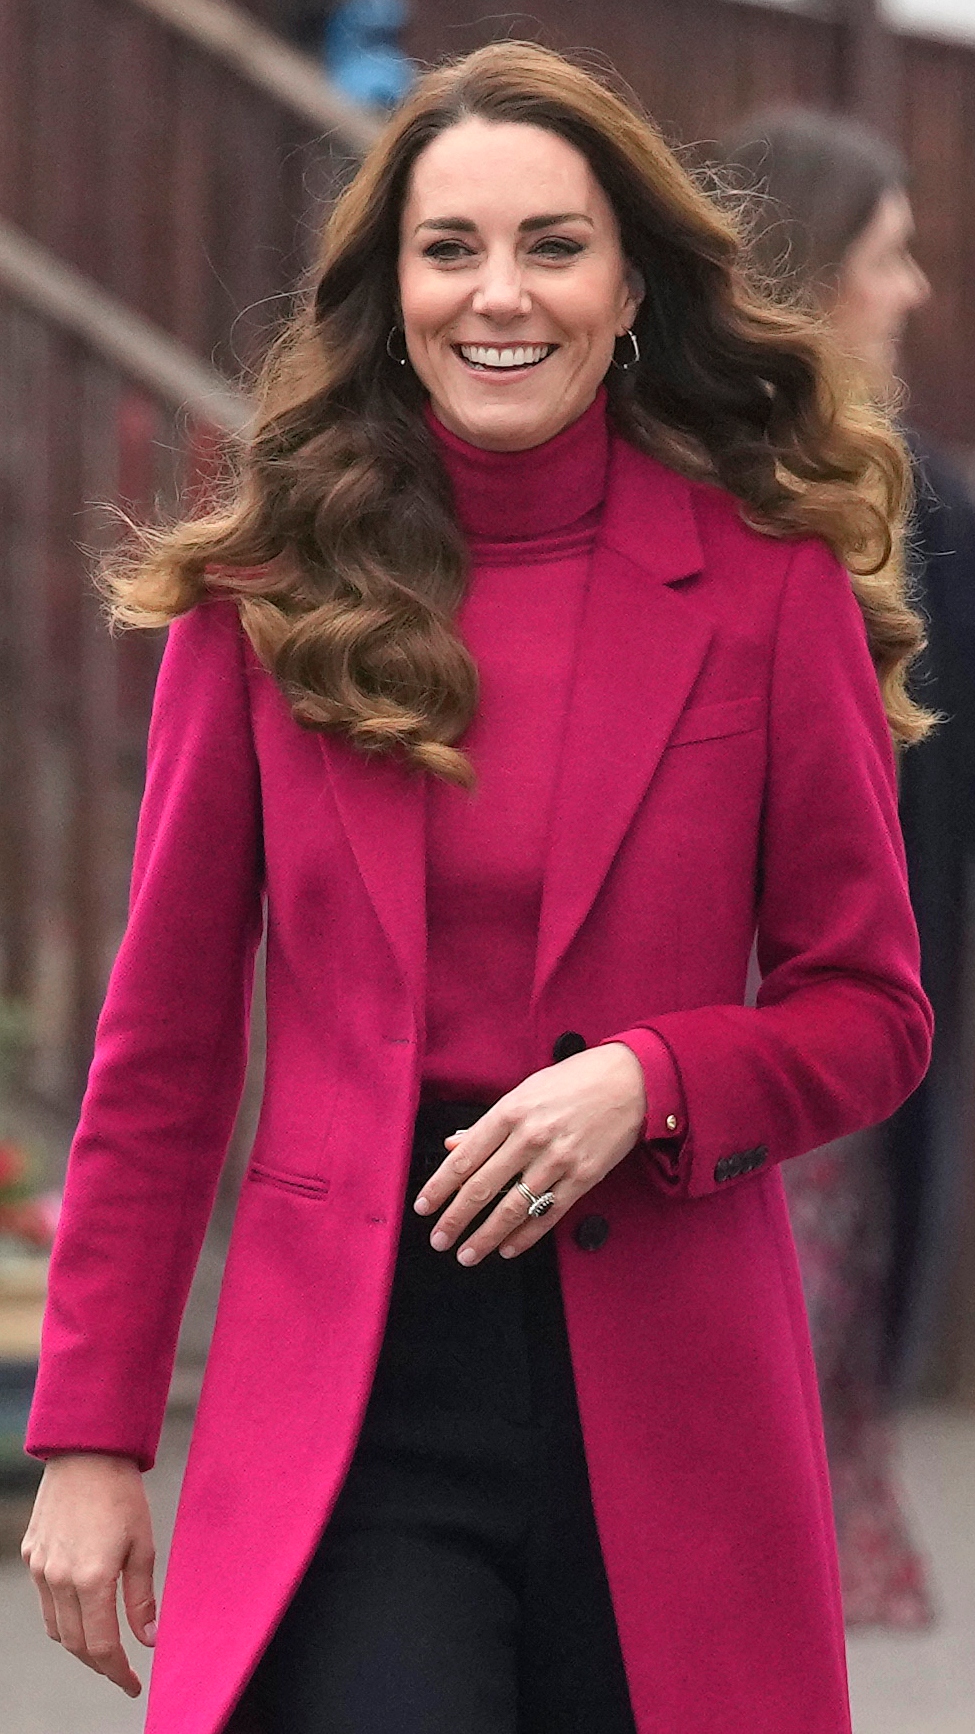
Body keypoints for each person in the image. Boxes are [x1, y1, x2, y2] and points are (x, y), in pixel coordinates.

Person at [20, 44, 933, 1734]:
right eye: (450, 249)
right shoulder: (264, 599)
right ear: (394, 294)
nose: (498, 294)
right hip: (360, 1405)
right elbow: (161, 1053)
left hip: (674, 1405)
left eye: (551, 246)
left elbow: (872, 1010)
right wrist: (90, 1433)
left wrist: (655, 1076)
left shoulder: (770, 583)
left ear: (629, 289)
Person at [718, 106, 975, 1627]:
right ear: (809, 270)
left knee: (782, 1421)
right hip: (683, 1010)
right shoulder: (671, 471)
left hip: (839, 1014)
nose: (915, 289)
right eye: (889, 255)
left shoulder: (922, 502)